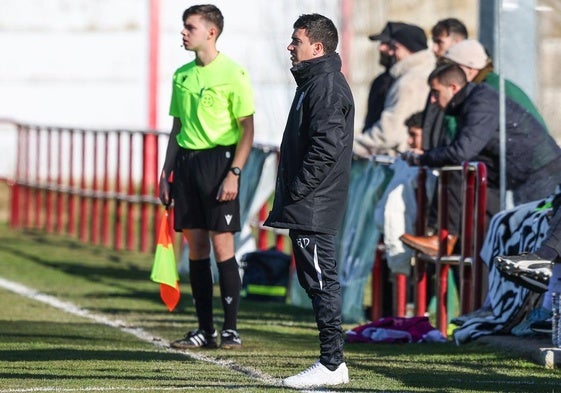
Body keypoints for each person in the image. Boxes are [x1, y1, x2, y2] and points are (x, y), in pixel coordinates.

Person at [264, 13, 353, 389]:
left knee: (321, 281)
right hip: (308, 204)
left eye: (296, 40)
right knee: (314, 280)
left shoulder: (326, 85)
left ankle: (332, 364)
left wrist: (299, 190)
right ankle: (331, 361)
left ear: (317, 47)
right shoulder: (313, 81)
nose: (290, 46)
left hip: (314, 205)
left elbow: (326, 146)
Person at [158, 4, 255, 350]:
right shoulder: (181, 75)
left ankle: (230, 329)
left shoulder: (234, 73)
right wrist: (166, 171)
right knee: (196, 248)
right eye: (184, 27)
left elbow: (247, 129)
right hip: (186, 166)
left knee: (221, 245)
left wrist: (234, 173)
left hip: (220, 164)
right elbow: (177, 127)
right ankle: (204, 330)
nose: (183, 33)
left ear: (211, 32)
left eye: (189, 27)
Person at [400, 64, 561, 255]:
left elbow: (462, 151)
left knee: (540, 236)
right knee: (493, 237)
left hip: (541, 171)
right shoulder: (471, 101)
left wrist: (423, 159)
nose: (433, 100)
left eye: (436, 93)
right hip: (516, 172)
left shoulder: (480, 103)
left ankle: (445, 238)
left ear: (453, 87)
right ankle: (444, 237)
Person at [354, 23, 435, 157]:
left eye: (394, 47)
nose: (389, 51)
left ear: (411, 49)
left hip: (402, 162)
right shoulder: (424, 74)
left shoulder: (409, 83)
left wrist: (352, 148)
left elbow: (389, 133)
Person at [362, 22, 403, 133]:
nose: (381, 48)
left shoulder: (407, 81)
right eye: (381, 43)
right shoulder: (379, 81)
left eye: (386, 43)